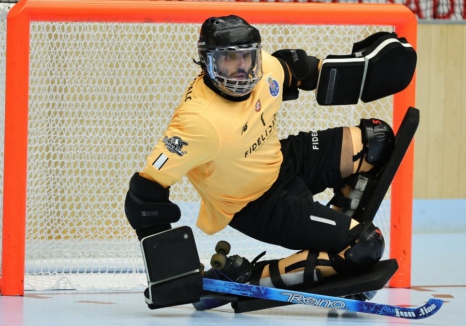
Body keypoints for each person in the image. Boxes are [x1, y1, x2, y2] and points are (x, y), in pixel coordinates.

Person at [124, 15, 397, 307]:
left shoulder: (265, 68)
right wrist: (172, 273)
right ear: (207, 63)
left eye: (247, 57)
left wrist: (365, 69)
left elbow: (299, 69)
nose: (242, 69)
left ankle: (333, 244)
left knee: (376, 139)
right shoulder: (197, 122)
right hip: (257, 204)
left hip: (283, 161)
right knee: (365, 245)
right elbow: (143, 196)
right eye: (230, 60)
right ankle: (234, 283)